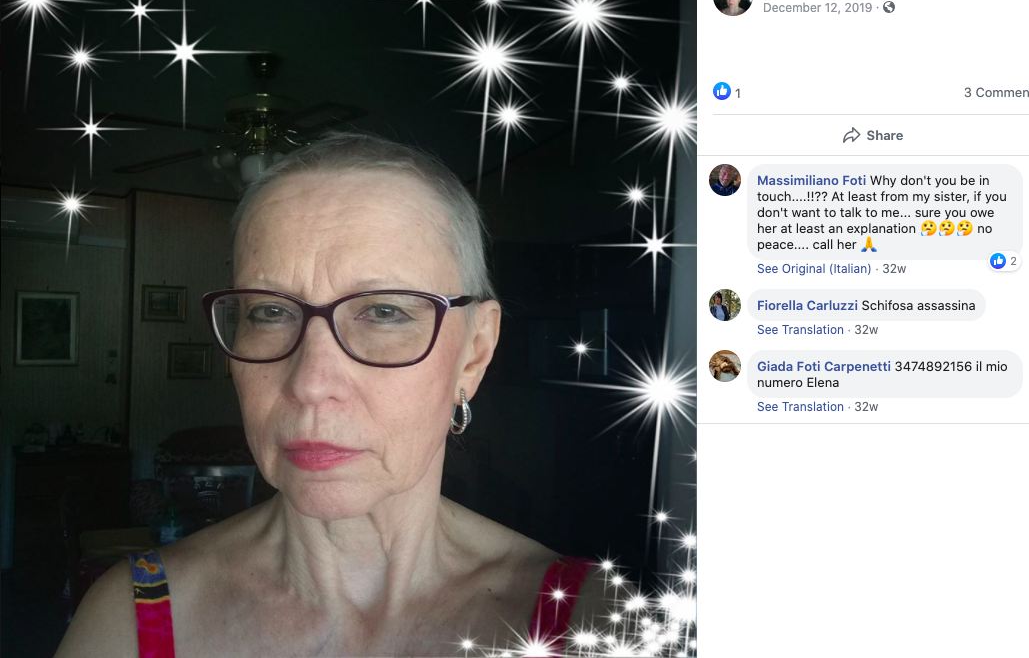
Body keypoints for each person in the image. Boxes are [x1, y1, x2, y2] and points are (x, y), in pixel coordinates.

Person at [55, 133, 622, 657]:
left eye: (385, 311)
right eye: (269, 311)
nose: (310, 383)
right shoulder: (129, 622)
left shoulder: (595, 626)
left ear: (473, 354)